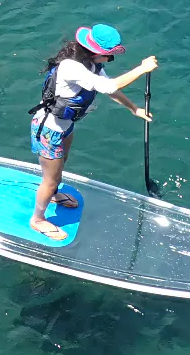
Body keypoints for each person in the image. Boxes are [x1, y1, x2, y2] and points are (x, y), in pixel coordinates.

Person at [27, 24, 158, 240]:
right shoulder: (72, 67)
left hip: (65, 127)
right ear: (97, 52)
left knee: (60, 167)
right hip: (49, 131)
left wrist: (134, 109)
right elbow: (108, 87)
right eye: (110, 56)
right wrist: (141, 68)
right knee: (50, 179)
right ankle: (38, 219)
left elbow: (109, 88)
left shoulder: (91, 65)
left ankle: (53, 194)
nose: (110, 60)